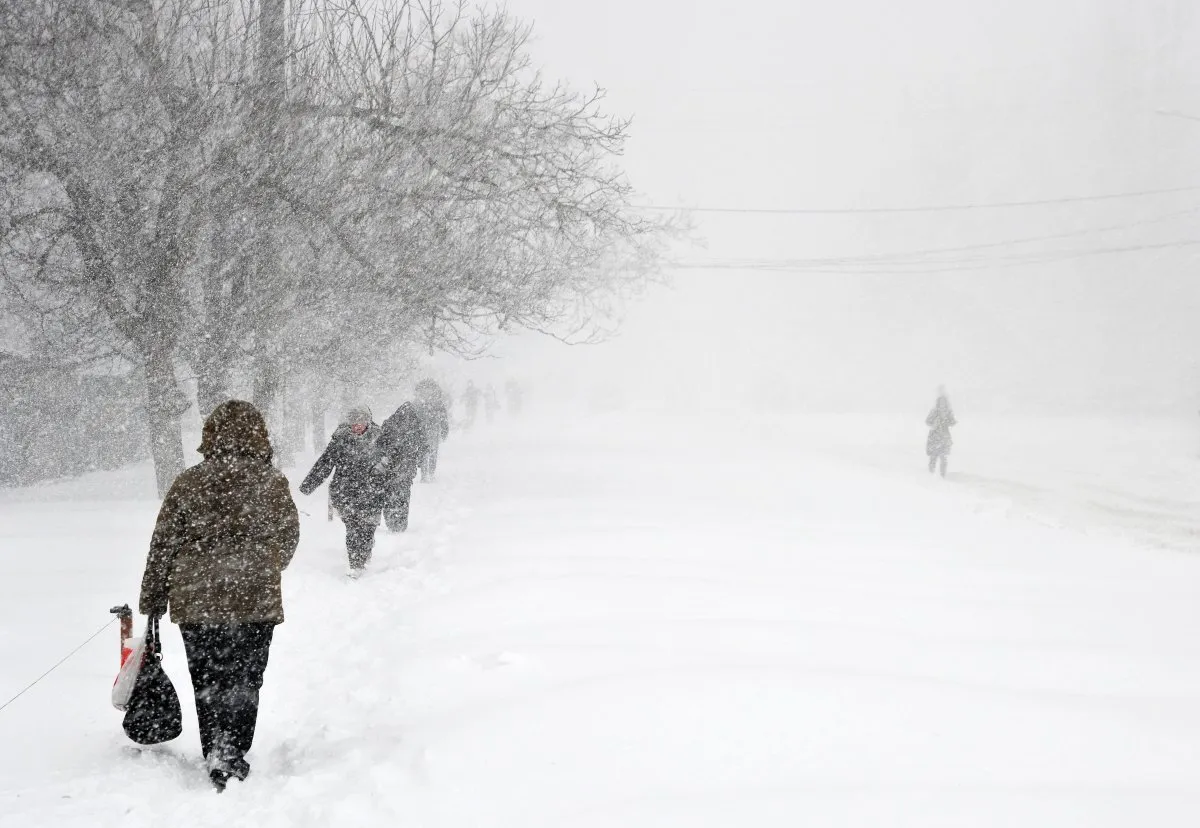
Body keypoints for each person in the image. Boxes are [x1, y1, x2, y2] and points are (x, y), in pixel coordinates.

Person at [138, 400, 300, 792]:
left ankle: (215, 746)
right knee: (246, 677)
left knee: (208, 677)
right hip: (254, 599)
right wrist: (262, 566)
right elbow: (289, 535)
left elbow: (164, 542)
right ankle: (232, 748)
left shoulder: (189, 482)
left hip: (198, 600)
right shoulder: (271, 482)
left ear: (210, 435)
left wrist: (154, 596)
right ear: (259, 435)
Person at [299, 405, 386, 573]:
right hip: (346, 492)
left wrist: (382, 474)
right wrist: (308, 485)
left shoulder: (379, 437)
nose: (357, 425)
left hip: (372, 493)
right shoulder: (341, 439)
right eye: (354, 421)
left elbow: (390, 460)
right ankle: (355, 564)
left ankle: (365, 552)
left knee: (367, 528)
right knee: (353, 529)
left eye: (361, 421)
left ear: (368, 422)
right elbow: (325, 463)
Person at [376, 401, 425, 532]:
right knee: (403, 495)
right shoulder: (416, 425)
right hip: (405, 468)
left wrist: (384, 456)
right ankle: (400, 522)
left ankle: (392, 520)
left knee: (390, 494)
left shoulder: (390, 423)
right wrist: (419, 460)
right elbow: (423, 445)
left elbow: (380, 443)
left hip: (391, 467)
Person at [414, 380, 450, 482]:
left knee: (428, 452)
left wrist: (444, 430)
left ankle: (428, 473)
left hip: (428, 431)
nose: (427, 392)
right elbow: (443, 418)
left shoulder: (434, 403)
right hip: (426, 431)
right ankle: (427, 474)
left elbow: (443, 418)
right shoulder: (433, 403)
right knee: (428, 452)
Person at [925, 388, 957, 477]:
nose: (942, 404)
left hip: (944, 437)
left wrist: (949, 422)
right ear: (938, 402)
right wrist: (934, 423)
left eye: (943, 402)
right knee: (933, 457)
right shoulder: (934, 411)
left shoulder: (948, 412)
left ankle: (943, 476)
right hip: (934, 437)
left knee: (943, 458)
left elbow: (953, 422)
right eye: (940, 402)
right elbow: (927, 421)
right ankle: (930, 475)